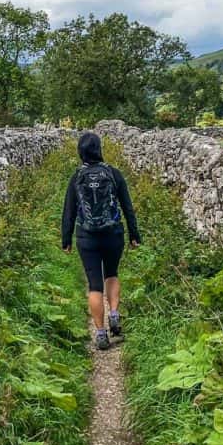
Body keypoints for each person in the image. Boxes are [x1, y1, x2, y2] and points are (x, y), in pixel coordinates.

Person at [61, 132, 141, 350]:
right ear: (99, 149)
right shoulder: (113, 174)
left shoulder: (77, 177)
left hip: (87, 237)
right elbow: (127, 206)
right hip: (113, 233)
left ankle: (101, 333)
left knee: (94, 284)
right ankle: (114, 314)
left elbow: (69, 210)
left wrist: (66, 238)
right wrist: (134, 234)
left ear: (81, 152)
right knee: (112, 273)